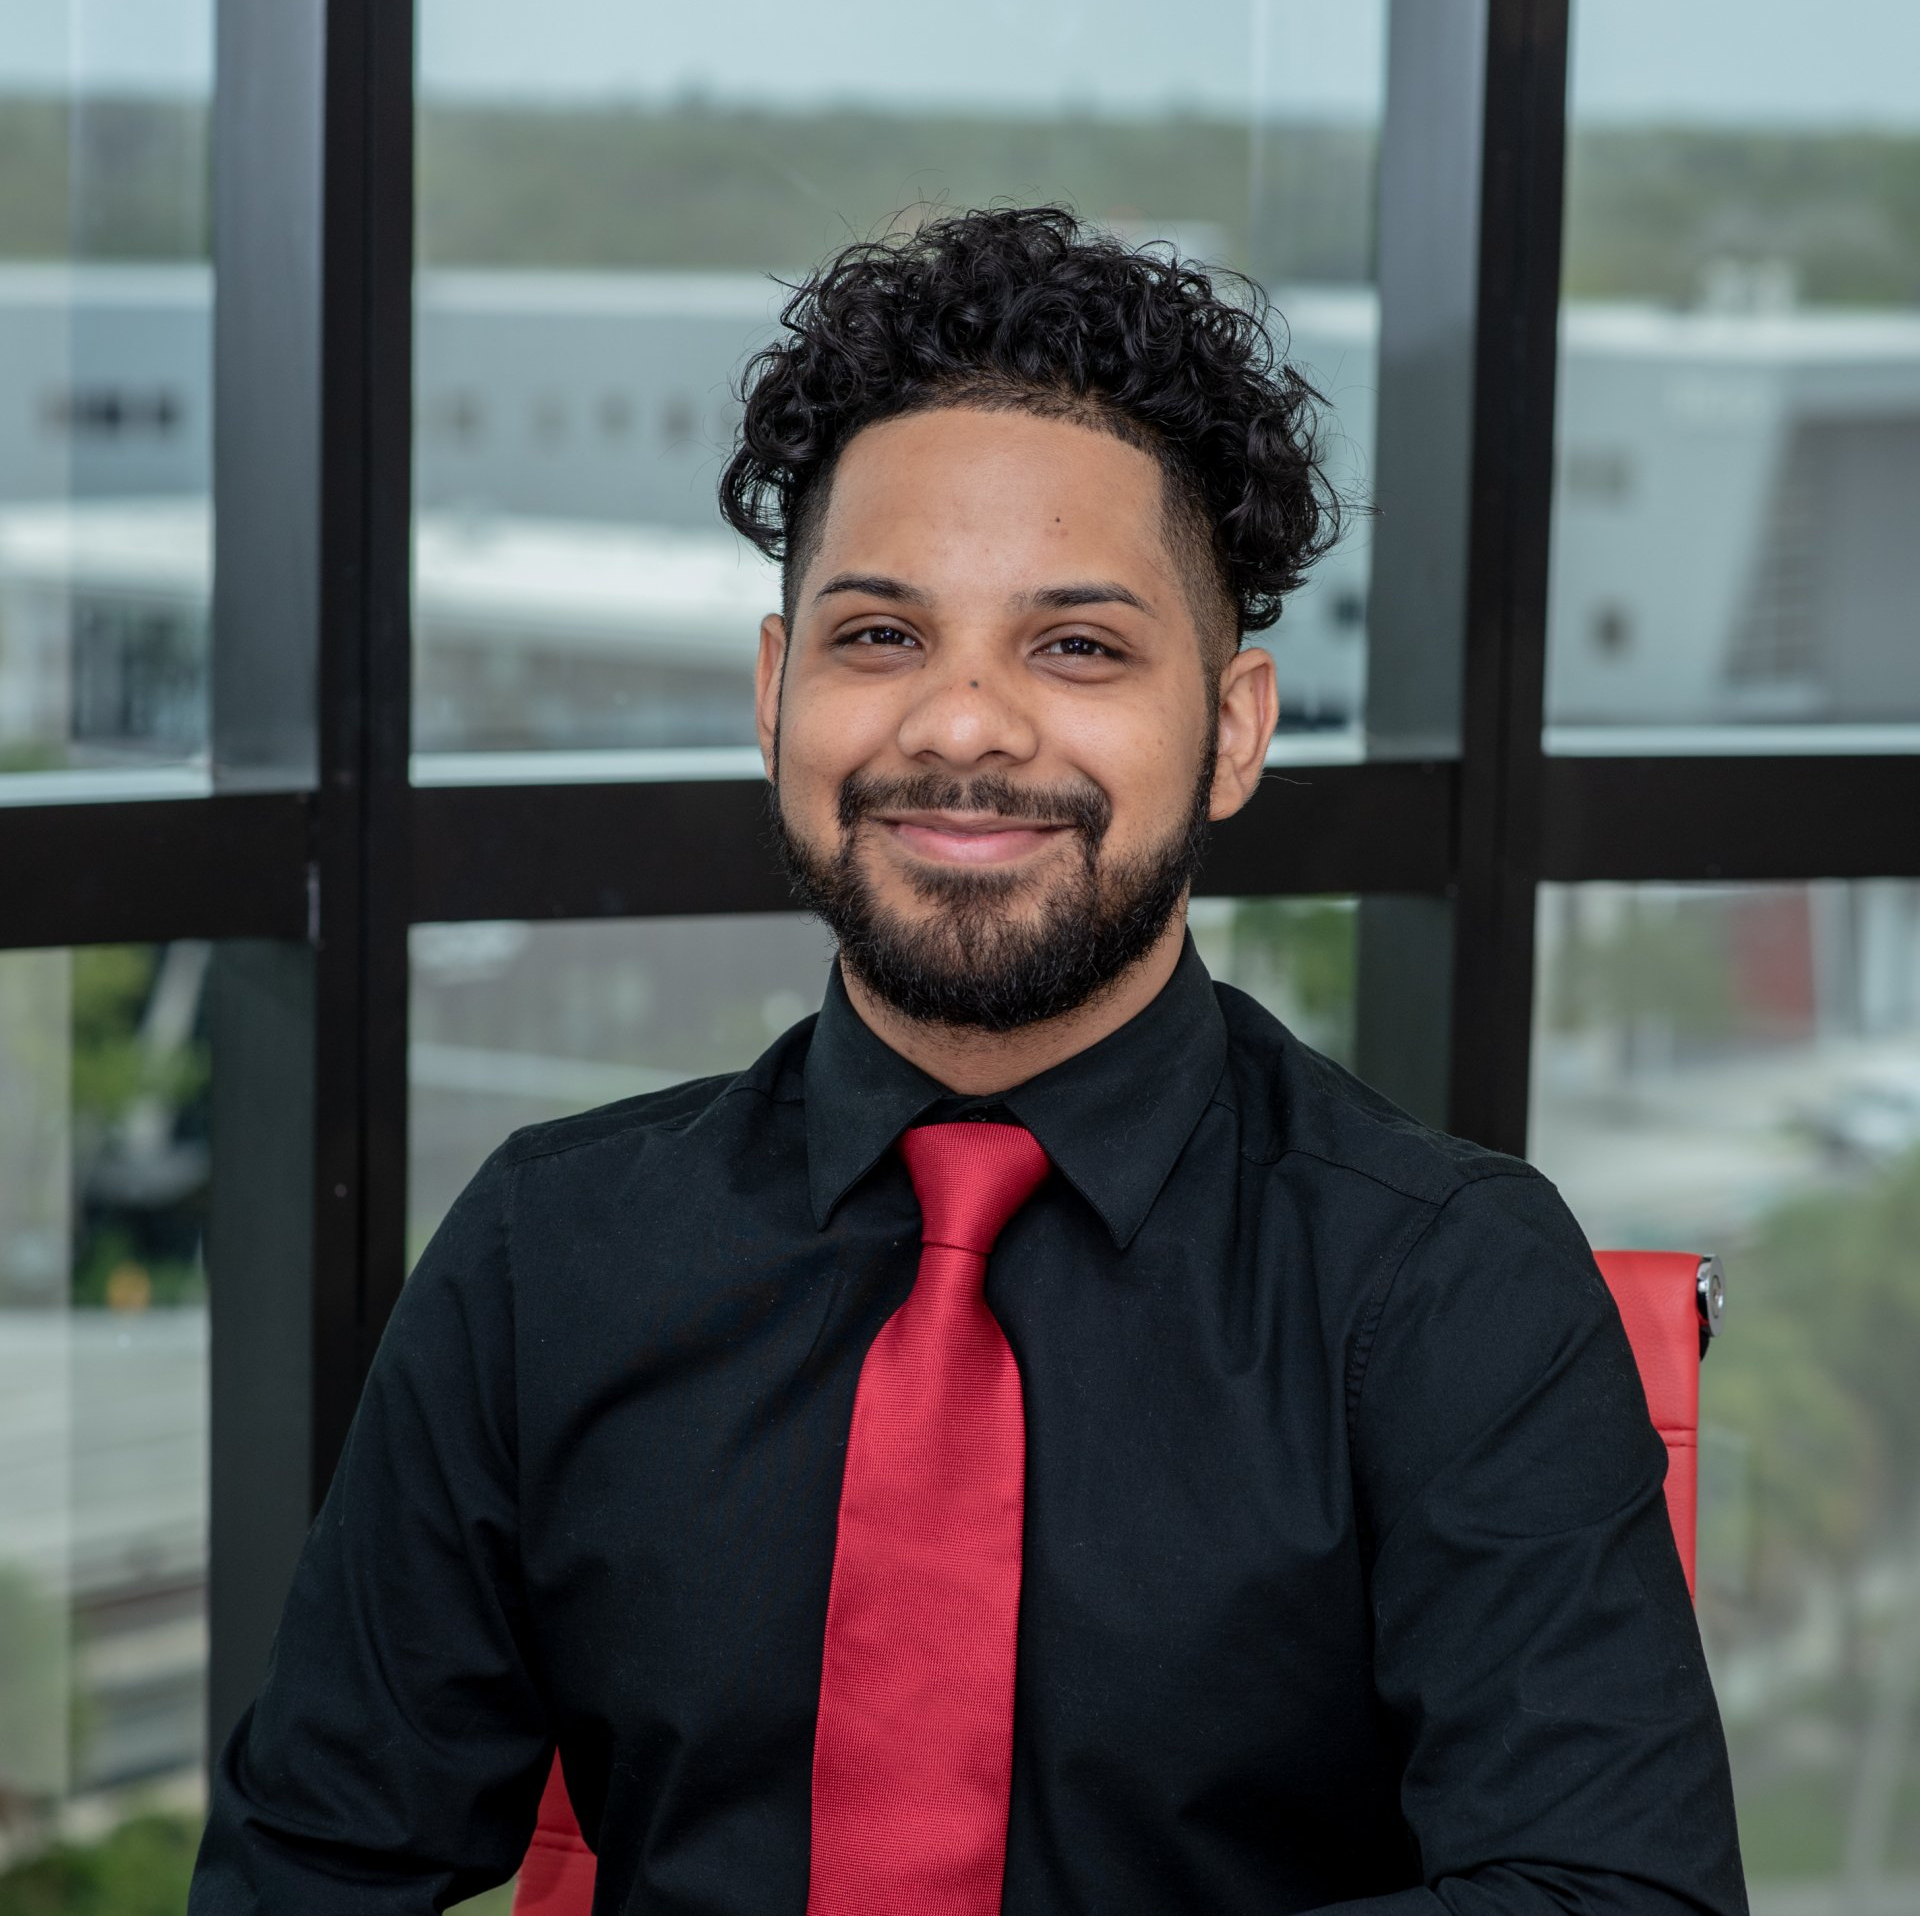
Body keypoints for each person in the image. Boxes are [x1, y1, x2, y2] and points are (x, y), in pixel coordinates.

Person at [191, 205, 1746, 1915]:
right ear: (777, 692)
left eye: (1076, 646)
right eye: (880, 635)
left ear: (1230, 730)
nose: (961, 725)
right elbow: (312, 1868)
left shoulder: (1448, 1285)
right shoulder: (545, 1256)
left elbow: (1617, 1898)